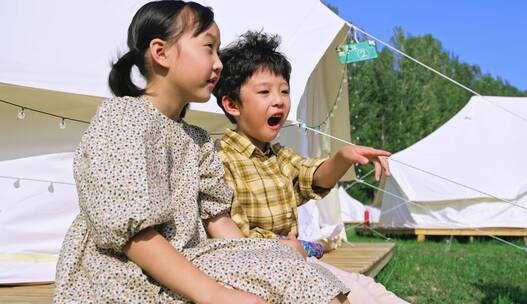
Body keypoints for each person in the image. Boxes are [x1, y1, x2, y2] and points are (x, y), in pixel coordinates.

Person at [53, 2, 350, 303]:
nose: (218, 63)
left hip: (192, 257)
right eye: (209, 48)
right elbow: (133, 236)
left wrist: (265, 257)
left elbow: (218, 222)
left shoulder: (196, 139)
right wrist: (216, 294)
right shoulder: (123, 118)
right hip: (126, 270)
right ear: (161, 52)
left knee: (306, 279)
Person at [214, 31, 409, 304]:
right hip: (267, 269)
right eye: (264, 92)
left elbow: (311, 176)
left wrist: (343, 157)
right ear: (232, 104)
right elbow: (233, 239)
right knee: (349, 296)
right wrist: (286, 250)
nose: (279, 100)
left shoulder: (278, 155)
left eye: (284, 90)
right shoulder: (221, 160)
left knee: (368, 286)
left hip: (295, 258)